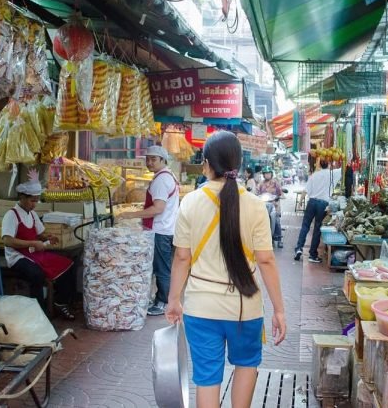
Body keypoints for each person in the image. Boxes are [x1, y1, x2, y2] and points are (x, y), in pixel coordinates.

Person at [165, 131, 286, 408]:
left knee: (206, 378)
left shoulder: (191, 202)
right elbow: (266, 260)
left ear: (206, 164)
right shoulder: (256, 206)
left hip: (200, 307)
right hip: (245, 308)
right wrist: (279, 310)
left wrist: (173, 300)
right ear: (238, 164)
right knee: (246, 365)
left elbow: (182, 258)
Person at [1, 171, 77, 320]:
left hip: (35, 253)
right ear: (22, 197)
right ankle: (39, 313)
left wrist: (48, 237)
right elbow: (7, 240)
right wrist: (33, 243)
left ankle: (60, 302)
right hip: (17, 257)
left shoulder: (32, 214)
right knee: (37, 274)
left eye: (36, 201)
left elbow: (40, 234)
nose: (34, 204)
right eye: (32, 201)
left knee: (68, 264)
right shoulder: (11, 215)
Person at [115, 145, 179, 316]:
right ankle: (160, 299)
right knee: (161, 266)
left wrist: (131, 215)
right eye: (147, 159)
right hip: (164, 228)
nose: (149, 162)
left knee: (161, 268)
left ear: (163, 160)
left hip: (160, 230)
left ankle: (163, 302)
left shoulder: (161, 180)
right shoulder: (167, 176)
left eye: (153, 159)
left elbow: (158, 208)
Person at [294, 160, 342, 263]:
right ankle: (312, 254)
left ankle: (299, 248)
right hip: (323, 204)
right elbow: (344, 169)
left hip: (311, 202)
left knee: (305, 226)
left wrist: (300, 202)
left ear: (319, 165)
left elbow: (305, 191)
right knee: (317, 229)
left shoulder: (314, 175)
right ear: (329, 163)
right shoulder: (332, 173)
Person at [257, 167, 284, 247]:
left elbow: (280, 192)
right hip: (263, 205)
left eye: (269, 173)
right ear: (264, 175)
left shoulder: (275, 182)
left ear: (271, 174)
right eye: (266, 173)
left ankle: (279, 239)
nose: (267, 175)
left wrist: (279, 197)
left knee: (277, 221)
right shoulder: (261, 183)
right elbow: (257, 192)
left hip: (274, 205)